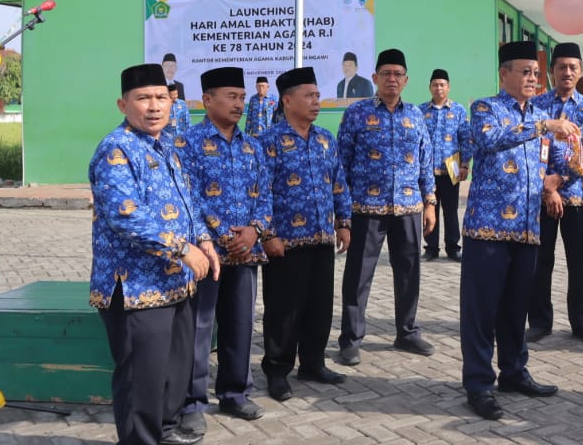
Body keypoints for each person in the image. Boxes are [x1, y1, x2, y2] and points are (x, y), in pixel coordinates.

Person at [89, 63, 219, 445]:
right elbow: (124, 215)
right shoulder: (116, 148)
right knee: (141, 378)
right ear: (122, 104)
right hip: (135, 287)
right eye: (143, 98)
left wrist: (204, 240)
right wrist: (182, 249)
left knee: (172, 371)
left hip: (175, 282)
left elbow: (187, 202)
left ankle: (163, 431)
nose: (154, 106)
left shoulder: (166, 146)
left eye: (161, 97)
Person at [460, 41, 582, 421]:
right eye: (525, 71)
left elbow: (561, 164)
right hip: (488, 229)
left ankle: (514, 372)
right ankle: (479, 384)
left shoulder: (543, 115)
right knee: (481, 312)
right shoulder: (485, 108)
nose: (532, 78)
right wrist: (544, 125)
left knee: (516, 310)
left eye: (535, 72)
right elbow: (490, 140)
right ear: (504, 74)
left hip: (528, 228)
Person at [173, 67, 273, 437]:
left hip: (246, 254)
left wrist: (254, 230)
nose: (239, 104)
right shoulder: (186, 144)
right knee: (199, 329)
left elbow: (266, 196)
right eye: (231, 96)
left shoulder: (253, 146)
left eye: (242, 97)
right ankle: (192, 402)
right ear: (207, 100)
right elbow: (187, 198)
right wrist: (220, 234)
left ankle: (234, 392)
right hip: (205, 255)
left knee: (241, 325)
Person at [336, 49, 438, 366]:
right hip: (367, 209)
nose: (392, 79)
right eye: (386, 73)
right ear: (375, 78)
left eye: (398, 74)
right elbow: (342, 164)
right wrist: (342, 213)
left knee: (409, 273)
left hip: (408, 208)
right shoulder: (356, 114)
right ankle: (351, 338)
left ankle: (407, 332)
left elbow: (426, 163)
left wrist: (431, 203)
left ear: (406, 81)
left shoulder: (416, 117)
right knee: (358, 275)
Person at [259, 66, 352, 401]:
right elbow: (260, 192)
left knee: (319, 305)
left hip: (321, 238)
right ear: (287, 100)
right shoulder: (269, 142)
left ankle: (313, 362)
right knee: (284, 309)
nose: (316, 101)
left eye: (317, 95)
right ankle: (277, 369)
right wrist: (267, 234)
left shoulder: (326, 139)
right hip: (285, 243)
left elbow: (339, 183)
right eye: (309, 96)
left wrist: (344, 222)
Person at [528, 42, 583, 345]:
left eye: (573, 67)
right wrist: (546, 187)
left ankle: (581, 321)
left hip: (577, 196)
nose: (568, 72)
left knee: (578, 261)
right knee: (540, 259)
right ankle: (539, 321)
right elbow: (531, 150)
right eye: (562, 66)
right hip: (541, 195)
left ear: (581, 71)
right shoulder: (537, 106)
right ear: (551, 71)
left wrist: (559, 180)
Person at [419, 68, 472, 262]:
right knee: (429, 208)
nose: (438, 88)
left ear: (448, 88)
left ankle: (453, 247)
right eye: (435, 85)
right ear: (430, 88)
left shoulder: (458, 110)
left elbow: (466, 139)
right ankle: (431, 248)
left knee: (451, 210)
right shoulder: (421, 111)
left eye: (442, 85)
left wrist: (465, 164)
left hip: (452, 167)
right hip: (427, 170)